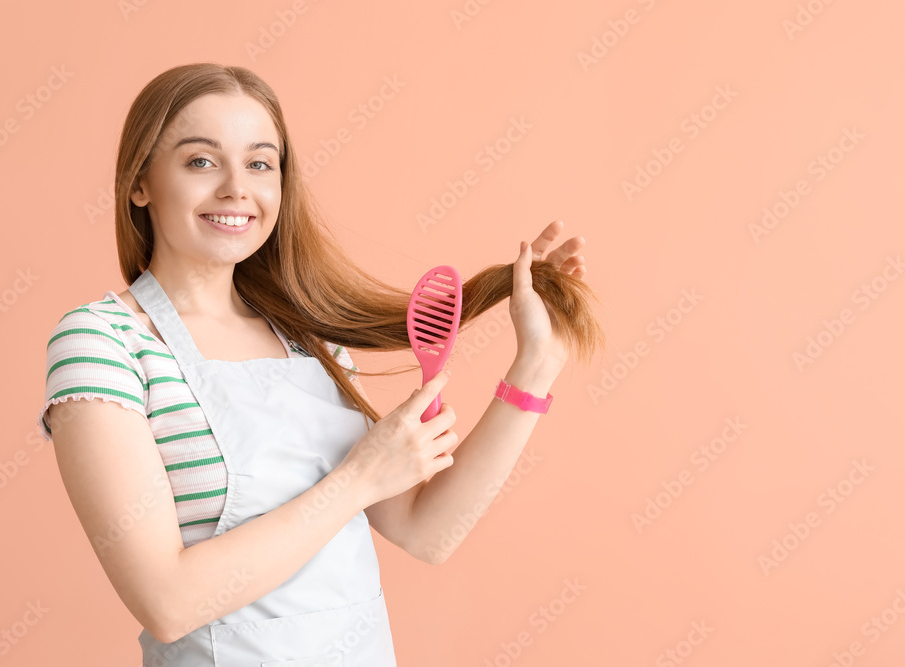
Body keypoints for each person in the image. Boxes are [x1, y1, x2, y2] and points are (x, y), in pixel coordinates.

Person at [35, 63, 604, 665]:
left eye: (260, 164)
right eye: (201, 161)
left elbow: (425, 532)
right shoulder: (103, 342)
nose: (236, 189)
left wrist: (536, 368)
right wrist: (359, 478)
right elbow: (166, 601)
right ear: (140, 182)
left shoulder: (309, 340)